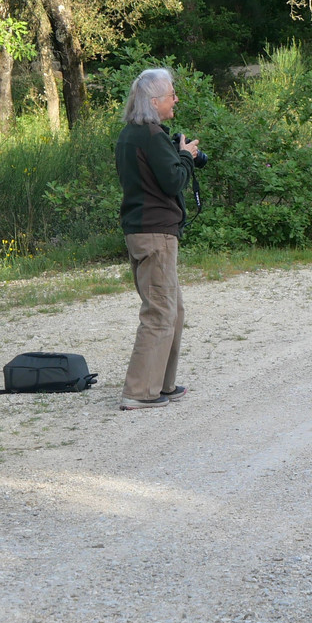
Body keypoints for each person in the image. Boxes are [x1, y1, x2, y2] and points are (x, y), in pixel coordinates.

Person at [114, 67, 207, 411]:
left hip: (144, 230)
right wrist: (186, 156)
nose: (175, 100)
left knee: (173, 310)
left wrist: (178, 155)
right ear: (154, 101)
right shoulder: (151, 136)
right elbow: (173, 181)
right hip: (155, 233)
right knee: (159, 312)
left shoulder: (131, 134)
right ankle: (139, 392)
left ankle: (161, 384)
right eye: (171, 95)